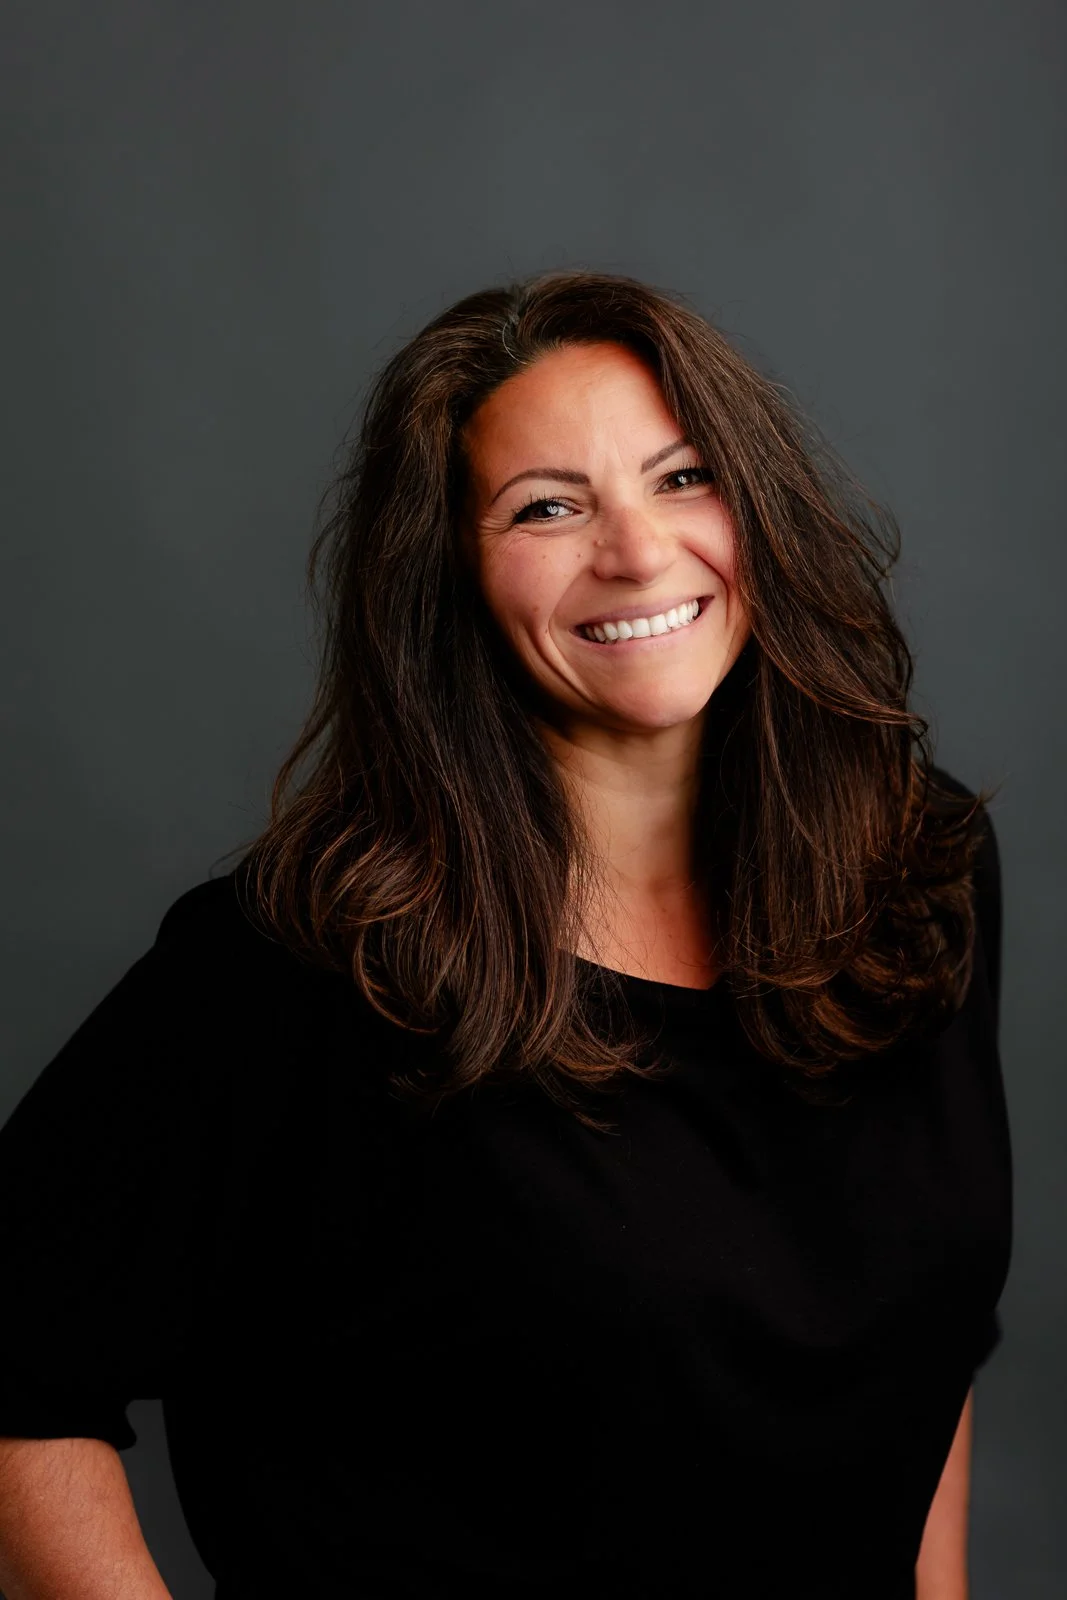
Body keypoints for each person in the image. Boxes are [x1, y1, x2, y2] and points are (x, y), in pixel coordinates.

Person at [0, 269, 1011, 1599]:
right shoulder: (310, 957)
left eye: (683, 478)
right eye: (548, 507)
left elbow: (923, 1347)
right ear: (452, 572)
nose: (638, 553)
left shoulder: (909, 871)